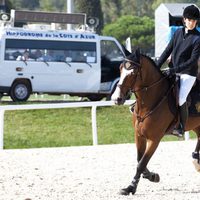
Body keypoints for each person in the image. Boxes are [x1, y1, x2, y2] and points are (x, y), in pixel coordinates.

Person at [157, 5, 200, 136]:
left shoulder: (198, 38)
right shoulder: (177, 33)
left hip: (188, 74)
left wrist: (175, 69)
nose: (192, 23)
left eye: (194, 21)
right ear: (184, 19)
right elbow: (167, 51)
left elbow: (192, 60)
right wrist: (156, 66)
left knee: (181, 98)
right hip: (174, 71)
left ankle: (181, 127)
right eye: (190, 20)